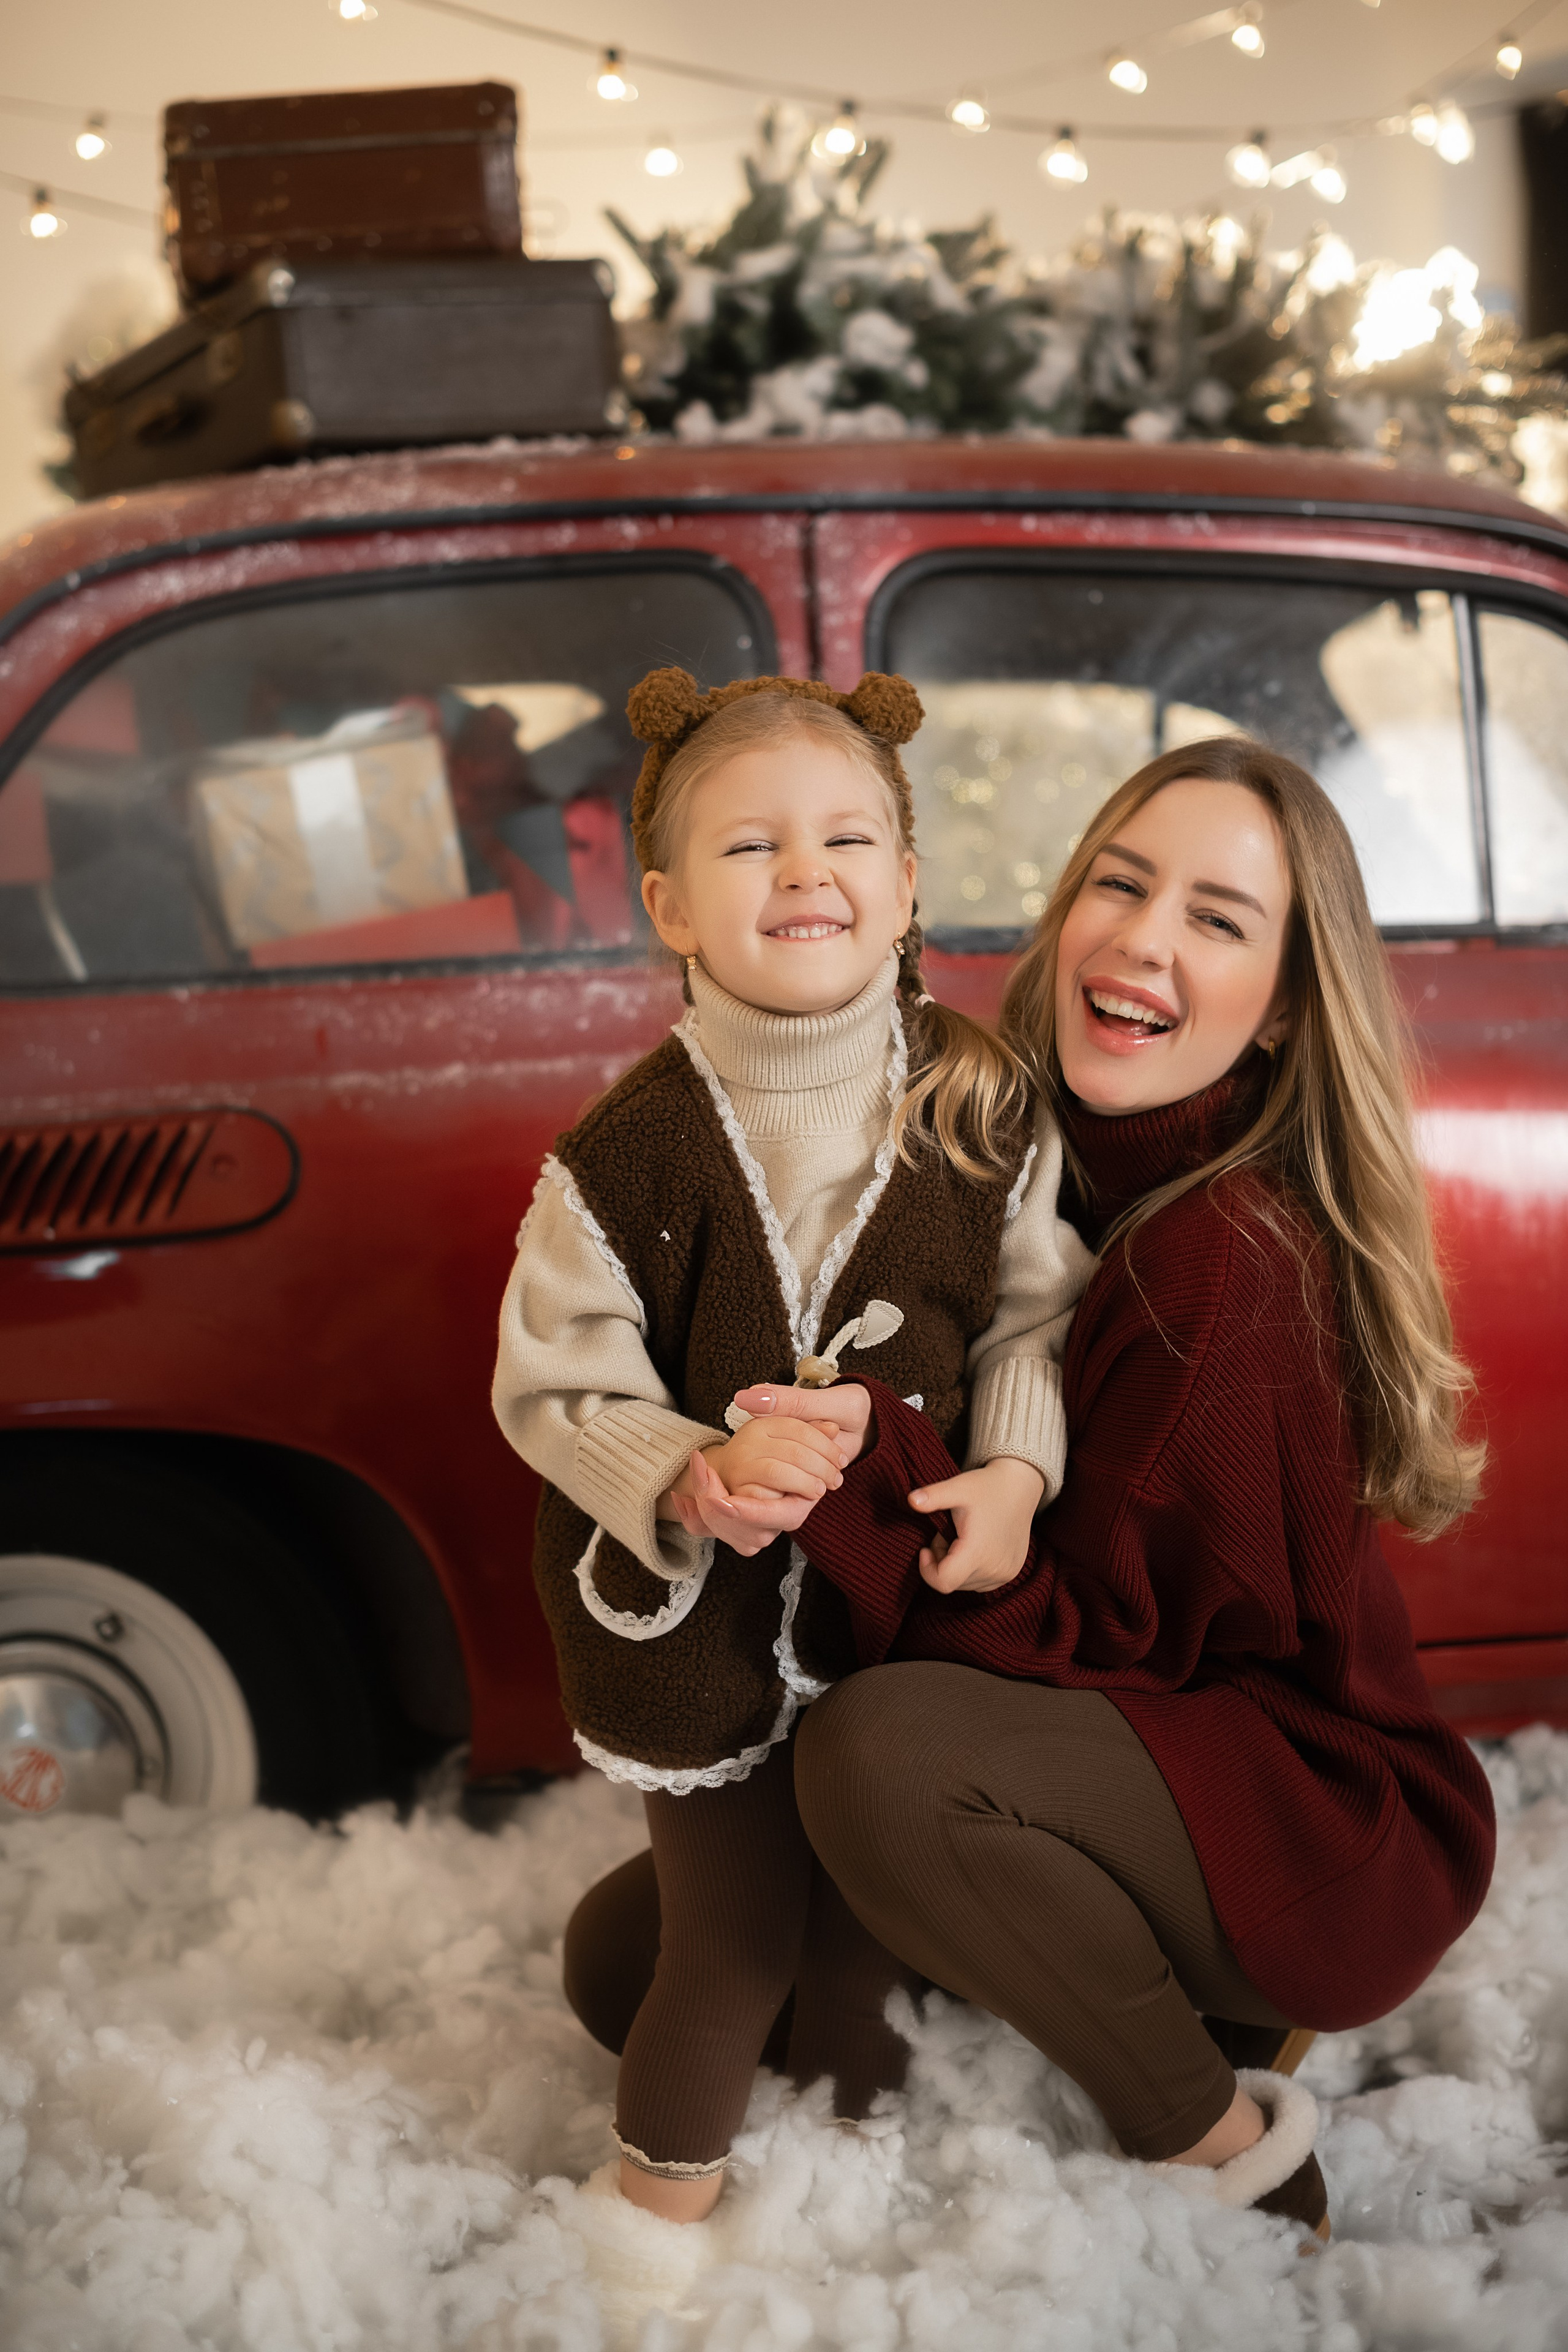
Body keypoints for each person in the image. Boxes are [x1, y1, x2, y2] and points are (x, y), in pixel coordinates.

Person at [717, 736, 1496, 2245]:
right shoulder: (1033, 1161)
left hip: (1303, 1811)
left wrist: (857, 1459)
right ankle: (1070, 1974)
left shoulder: (1218, 1258)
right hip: (1122, 1731)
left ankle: (1224, 2147)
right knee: (643, 1958)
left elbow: (1103, 1638)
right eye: (1119, 885)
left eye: (1215, 918)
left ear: (1279, 1011)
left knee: (879, 1762)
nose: (1142, 936)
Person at [491, 667, 1091, 2278]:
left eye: (845, 840)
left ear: (905, 883)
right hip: (693, 1632)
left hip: (893, 1616)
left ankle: (847, 2238)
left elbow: (1034, 1320)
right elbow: (556, 1381)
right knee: (735, 1938)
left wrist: (1015, 1477)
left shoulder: (981, 1110)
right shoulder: (626, 1155)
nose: (806, 872)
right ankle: (637, 2252)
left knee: (862, 1933)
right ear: (671, 905)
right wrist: (690, 1467)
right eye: (750, 849)